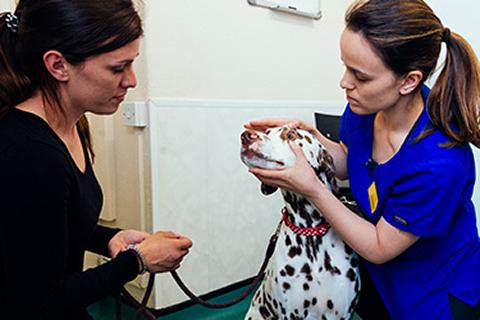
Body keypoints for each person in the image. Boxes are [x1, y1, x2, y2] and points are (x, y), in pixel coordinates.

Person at [245, 0, 480, 319]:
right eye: (345, 66)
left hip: (433, 291)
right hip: (378, 274)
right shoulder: (365, 108)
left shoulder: (441, 164)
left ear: (408, 81)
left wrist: (313, 188)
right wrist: (305, 143)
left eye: (360, 75)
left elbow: (379, 247)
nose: (345, 83)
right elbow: (348, 159)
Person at [0, 1, 192, 319]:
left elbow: (48, 228)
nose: (131, 81)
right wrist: (138, 262)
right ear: (58, 65)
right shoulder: (28, 154)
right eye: (117, 68)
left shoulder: (72, 126)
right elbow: (38, 302)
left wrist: (108, 238)